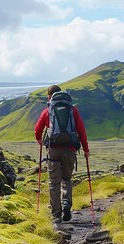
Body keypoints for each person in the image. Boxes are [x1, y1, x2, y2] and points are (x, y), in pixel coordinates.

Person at [35, 84, 89, 223]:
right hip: (70, 149)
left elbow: (37, 129)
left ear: (49, 96)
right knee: (67, 179)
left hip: (53, 150)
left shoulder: (47, 111)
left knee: (54, 183)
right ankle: (66, 204)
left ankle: (56, 214)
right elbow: (81, 130)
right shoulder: (72, 110)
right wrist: (86, 150)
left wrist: (40, 140)